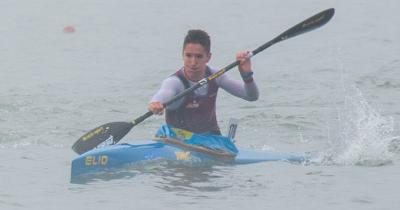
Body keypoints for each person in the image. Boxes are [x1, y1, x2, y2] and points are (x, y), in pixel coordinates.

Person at [148, 29, 259, 136]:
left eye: (199, 56)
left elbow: (252, 97)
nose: (193, 62)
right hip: (179, 141)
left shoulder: (216, 76)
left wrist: (246, 75)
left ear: (208, 57)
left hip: (212, 141)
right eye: (188, 55)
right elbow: (164, 93)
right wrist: (155, 103)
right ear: (182, 55)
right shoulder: (175, 82)